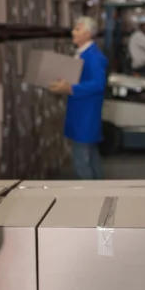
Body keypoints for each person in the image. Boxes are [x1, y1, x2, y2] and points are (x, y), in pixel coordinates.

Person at [49, 16, 107, 180]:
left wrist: (70, 88)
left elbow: (98, 83)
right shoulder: (82, 53)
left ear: (88, 34)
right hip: (79, 111)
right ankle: (100, 192)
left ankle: (91, 197)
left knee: (81, 160)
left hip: (86, 113)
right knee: (92, 156)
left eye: (77, 29)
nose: (73, 32)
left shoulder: (94, 56)